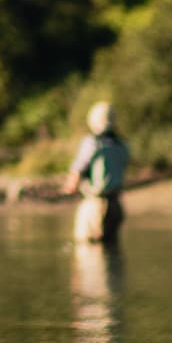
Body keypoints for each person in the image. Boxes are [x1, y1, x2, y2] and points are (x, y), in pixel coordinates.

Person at [69, 100, 128, 243]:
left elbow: (77, 171)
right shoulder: (122, 145)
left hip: (95, 205)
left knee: (88, 251)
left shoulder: (92, 142)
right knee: (111, 250)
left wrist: (70, 187)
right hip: (116, 206)